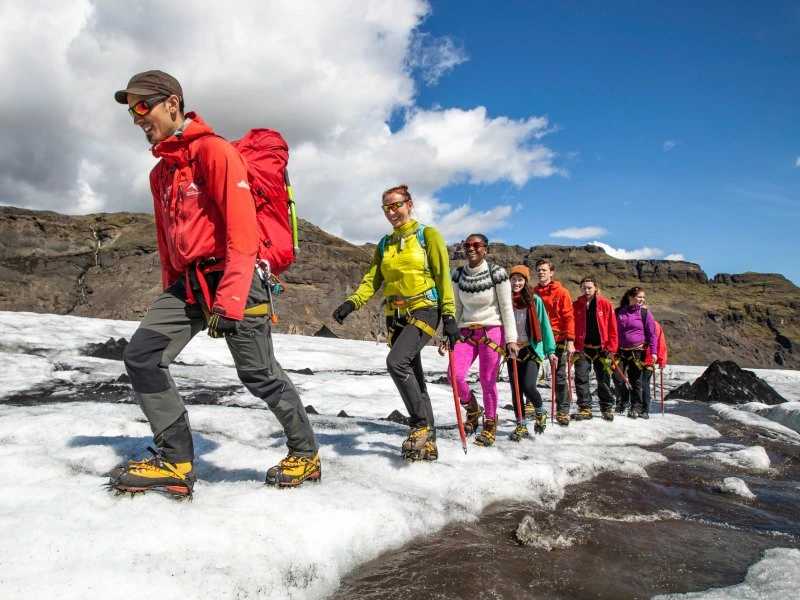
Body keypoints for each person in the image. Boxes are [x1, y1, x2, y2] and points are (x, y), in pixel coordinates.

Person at [109, 70, 320, 496]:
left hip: (235, 277)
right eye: (131, 110)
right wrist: (171, 292)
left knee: (258, 374)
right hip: (190, 283)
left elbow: (243, 229)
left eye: (142, 106)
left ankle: (306, 453)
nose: (136, 117)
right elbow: (168, 241)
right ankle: (176, 461)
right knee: (143, 356)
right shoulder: (161, 174)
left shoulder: (214, 151)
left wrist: (231, 299)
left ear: (173, 103)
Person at [332, 185, 457, 461]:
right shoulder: (384, 244)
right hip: (395, 316)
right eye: (386, 208)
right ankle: (429, 442)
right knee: (416, 377)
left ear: (409, 204)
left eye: (396, 205)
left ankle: (419, 425)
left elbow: (443, 276)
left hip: (425, 309)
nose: (391, 212)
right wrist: (352, 303)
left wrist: (449, 317)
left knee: (396, 362)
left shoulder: (428, 236)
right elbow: (372, 280)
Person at [449, 235, 520, 446]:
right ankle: (472, 409)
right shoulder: (458, 274)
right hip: (465, 332)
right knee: (454, 375)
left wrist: (511, 340)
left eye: (476, 245)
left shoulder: (497, 273)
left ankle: (490, 423)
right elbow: (456, 307)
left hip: (492, 332)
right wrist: (449, 333)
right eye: (467, 245)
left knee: (487, 380)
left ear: (485, 249)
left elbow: (506, 307)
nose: (471, 248)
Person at [507, 265, 557, 441]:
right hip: (512, 350)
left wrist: (551, 351)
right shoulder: (505, 301)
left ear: (526, 281)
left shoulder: (535, 300)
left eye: (520, 279)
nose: (517, 282)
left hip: (531, 349)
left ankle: (540, 410)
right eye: (514, 279)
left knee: (528, 386)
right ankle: (520, 425)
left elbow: (544, 325)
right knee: (516, 390)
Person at [533, 259, 575, 426]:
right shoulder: (533, 292)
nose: (541, 272)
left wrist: (570, 340)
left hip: (558, 339)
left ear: (551, 272)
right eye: (539, 270)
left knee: (559, 377)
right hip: (538, 340)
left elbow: (568, 317)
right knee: (531, 373)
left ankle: (563, 410)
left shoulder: (562, 292)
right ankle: (532, 404)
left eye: (544, 270)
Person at [572, 276, 619, 421]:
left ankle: (606, 408)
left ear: (596, 288)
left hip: (602, 348)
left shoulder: (605, 304)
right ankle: (585, 408)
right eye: (584, 288)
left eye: (589, 288)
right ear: (580, 288)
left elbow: (612, 327)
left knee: (603, 379)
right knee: (581, 377)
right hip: (582, 348)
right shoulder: (576, 305)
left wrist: (612, 347)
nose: (586, 290)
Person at [614, 286, 658, 419]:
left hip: (638, 352)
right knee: (617, 377)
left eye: (643, 297)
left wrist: (654, 352)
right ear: (630, 297)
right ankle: (624, 399)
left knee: (636, 380)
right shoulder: (618, 312)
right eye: (639, 297)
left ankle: (636, 407)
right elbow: (612, 331)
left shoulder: (645, 313)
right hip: (620, 351)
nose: (642, 300)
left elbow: (652, 335)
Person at [641, 307, 668, 417]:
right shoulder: (632, 324)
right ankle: (638, 407)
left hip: (649, 359)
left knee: (643, 384)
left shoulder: (655, 325)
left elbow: (661, 344)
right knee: (639, 384)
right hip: (634, 358)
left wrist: (662, 361)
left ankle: (645, 409)